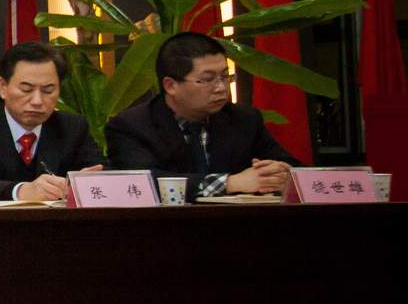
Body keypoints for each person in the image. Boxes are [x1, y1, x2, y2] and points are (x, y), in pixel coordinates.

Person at [105, 31, 294, 200]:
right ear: (171, 85)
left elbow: (290, 166)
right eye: (207, 79)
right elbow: (142, 183)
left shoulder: (244, 119)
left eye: (225, 76)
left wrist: (279, 173)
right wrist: (229, 183)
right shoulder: (131, 126)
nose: (221, 88)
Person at [0, 41, 104, 202]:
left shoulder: (72, 127)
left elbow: (103, 172)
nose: (37, 101)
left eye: (48, 90)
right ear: (3, 87)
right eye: (26, 89)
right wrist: (20, 191)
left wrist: (86, 182)